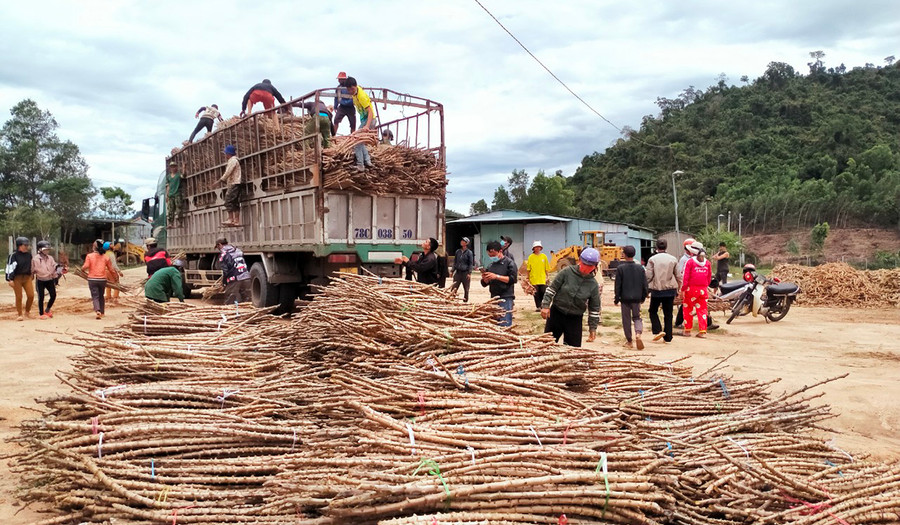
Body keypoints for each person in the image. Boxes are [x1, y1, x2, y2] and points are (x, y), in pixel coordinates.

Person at [540, 247, 601, 347]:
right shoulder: (567, 272)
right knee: (547, 345)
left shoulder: (593, 285)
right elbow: (552, 289)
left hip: (575, 319)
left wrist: (593, 328)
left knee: (573, 349)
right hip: (556, 314)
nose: (586, 267)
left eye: (589, 266)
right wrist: (545, 305)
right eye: (584, 264)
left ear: (595, 266)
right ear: (579, 260)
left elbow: (594, 309)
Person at [645, 239, 681, 343]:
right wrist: (679, 288)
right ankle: (668, 336)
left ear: (656, 247)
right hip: (670, 290)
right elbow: (678, 276)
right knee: (668, 313)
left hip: (657, 290)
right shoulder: (673, 259)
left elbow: (649, 276)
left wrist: (646, 287)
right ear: (666, 247)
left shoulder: (652, 259)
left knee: (652, 311)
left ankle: (657, 330)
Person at [614, 245, 648, 349]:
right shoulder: (640, 268)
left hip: (625, 298)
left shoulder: (620, 268)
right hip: (637, 298)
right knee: (637, 317)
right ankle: (638, 333)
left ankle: (629, 341)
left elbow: (618, 285)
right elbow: (644, 284)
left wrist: (616, 298)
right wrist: (643, 297)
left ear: (624, 254)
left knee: (626, 319)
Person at [481, 240, 517, 327]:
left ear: (500, 251)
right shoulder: (490, 266)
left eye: (493, 255)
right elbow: (484, 284)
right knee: (495, 323)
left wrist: (497, 276)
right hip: (494, 297)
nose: (492, 257)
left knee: (505, 322)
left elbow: (513, 279)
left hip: (506, 297)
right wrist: (485, 279)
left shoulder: (509, 263)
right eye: (490, 256)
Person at [681, 241, 713, 337]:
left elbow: (685, 278)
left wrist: (683, 289)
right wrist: (705, 286)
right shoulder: (707, 263)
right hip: (703, 289)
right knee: (702, 310)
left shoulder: (690, 262)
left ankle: (687, 331)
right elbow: (709, 277)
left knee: (687, 308)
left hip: (690, 289)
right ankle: (702, 331)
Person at [344, 76, 375, 172]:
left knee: (356, 141)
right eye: (349, 89)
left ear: (355, 86)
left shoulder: (361, 96)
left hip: (369, 120)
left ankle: (360, 165)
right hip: (364, 121)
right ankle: (367, 161)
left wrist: (367, 126)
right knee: (360, 142)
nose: (350, 91)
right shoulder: (355, 93)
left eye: (352, 89)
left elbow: (370, 111)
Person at [82, 239, 114, 319]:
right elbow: (111, 269)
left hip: (92, 279)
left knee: (95, 296)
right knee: (101, 296)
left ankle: (97, 310)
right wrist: (115, 277)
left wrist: (82, 269)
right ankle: (102, 312)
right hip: (102, 280)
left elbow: (85, 266)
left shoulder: (89, 256)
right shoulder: (106, 257)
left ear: (94, 247)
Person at [6, 237, 34, 321]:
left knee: (31, 295)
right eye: (24, 245)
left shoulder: (29, 255)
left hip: (27, 277)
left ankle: (27, 312)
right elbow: (10, 267)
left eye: (27, 245)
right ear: (19, 246)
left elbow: (31, 265)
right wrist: (10, 279)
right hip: (17, 278)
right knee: (19, 296)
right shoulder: (13, 256)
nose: (26, 247)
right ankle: (20, 314)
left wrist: (32, 274)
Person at [216, 237, 251, 304]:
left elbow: (225, 271)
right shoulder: (238, 250)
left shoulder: (223, 254)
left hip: (235, 279)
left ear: (220, 244)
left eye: (217, 247)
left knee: (229, 299)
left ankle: (231, 312)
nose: (218, 249)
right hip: (246, 277)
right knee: (247, 300)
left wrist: (224, 282)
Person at [32, 240, 59, 319]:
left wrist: (56, 276)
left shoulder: (50, 258)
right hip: (40, 280)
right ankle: (41, 314)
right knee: (41, 297)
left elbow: (54, 267)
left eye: (48, 249)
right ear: (40, 249)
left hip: (49, 279)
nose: (47, 251)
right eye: (45, 249)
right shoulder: (35, 259)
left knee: (53, 295)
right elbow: (32, 270)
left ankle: (47, 310)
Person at [673, 237, 695, 330]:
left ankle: (708, 322)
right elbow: (680, 273)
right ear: (687, 249)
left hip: (694, 284)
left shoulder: (693, 258)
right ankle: (678, 322)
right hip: (687, 285)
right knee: (686, 304)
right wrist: (681, 287)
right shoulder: (683, 259)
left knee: (699, 303)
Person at [220, 145, 242, 226]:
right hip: (237, 183)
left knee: (228, 201)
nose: (225, 155)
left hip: (234, 183)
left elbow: (228, 171)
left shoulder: (232, 161)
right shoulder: (236, 160)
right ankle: (236, 221)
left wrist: (222, 179)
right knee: (235, 202)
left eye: (225, 153)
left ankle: (230, 219)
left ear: (228, 153)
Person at [526, 240, 550, 311]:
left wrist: (547, 276)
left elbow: (546, 268)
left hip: (542, 278)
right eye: (536, 247)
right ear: (533, 248)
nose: (537, 248)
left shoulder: (544, 257)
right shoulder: (531, 257)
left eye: (539, 247)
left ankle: (543, 304)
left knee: (543, 291)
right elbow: (528, 269)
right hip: (534, 278)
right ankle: (538, 306)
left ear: (541, 248)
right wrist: (528, 277)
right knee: (536, 293)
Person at [449, 237, 474, 302]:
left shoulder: (469, 253)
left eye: (463, 241)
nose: (461, 242)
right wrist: (452, 271)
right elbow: (455, 262)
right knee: (454, 287)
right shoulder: (458, 251)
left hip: (465, 272)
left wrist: (469, 273)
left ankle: (465, 300)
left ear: (466, 243)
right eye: (461, 240)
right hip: (458, 272)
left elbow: (470, 263)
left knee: (466, 288)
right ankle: (451, 299)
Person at [103, 241, 124, 306]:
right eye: (112, 245)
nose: (114, 246)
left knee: (108, 284)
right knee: (116, 284)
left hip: (105, 271)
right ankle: (115, 297)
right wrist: (119, 271)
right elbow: (114, 265)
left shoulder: (105, 254)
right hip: (111, 271)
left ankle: (108, 296)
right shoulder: (111, 254)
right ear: (109, 247)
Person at [166, 161, 183, 226]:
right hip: (171, 195)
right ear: (170, 168)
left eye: (174, 166)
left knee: (179, 209)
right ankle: (171, 223)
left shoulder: (178, 175)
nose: (173, 168)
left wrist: (184, 167)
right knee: (170, 210)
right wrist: (167, 196)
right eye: (172, 167)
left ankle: (180, 222)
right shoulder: (168, 177)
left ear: (176, 167)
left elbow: (183, 175)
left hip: (177, 194)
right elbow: (168, 186)